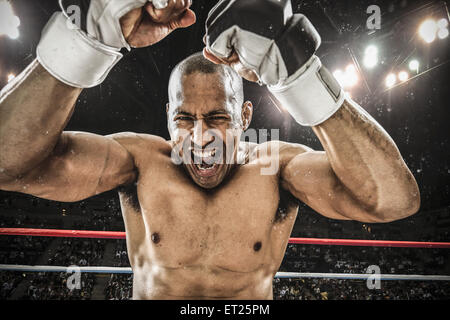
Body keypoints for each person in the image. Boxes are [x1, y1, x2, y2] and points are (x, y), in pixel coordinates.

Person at [0, 0, 420, 299]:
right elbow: (7, 165)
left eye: (218, 118)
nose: (201, 138)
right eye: (185, 119)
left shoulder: (276, 168)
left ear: (245, 116)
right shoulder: (139, 162)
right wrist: (83, 44)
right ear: (168, 118)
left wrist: (301, 76)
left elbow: (394, 202)